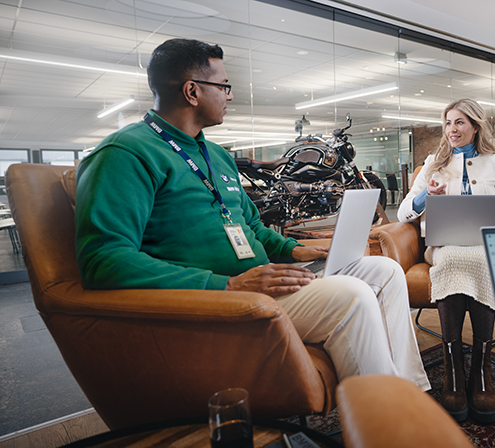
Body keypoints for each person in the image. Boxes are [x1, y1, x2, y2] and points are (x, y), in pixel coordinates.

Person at [74, 38, 430, 391]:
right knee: (354, 298)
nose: (229, 95)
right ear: (192, 91)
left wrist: (294, 251)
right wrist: (228, 284)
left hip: (262, 281)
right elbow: (103, 259)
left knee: (384, 271)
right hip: (220, 298)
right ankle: (380, 419)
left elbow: (254, 227)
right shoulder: (125, 154)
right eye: (224, 86)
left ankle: (409, 395)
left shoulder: (217, 155)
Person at [398, 99, 495, 423]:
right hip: (444, 246)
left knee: (482, 260)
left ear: (475, 126)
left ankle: (481, 370)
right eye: (447, 123)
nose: (452, 130)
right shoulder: (433, 163)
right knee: (449, 260)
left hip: (487, 247)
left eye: (459, 123)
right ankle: (453, 373)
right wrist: (426, 197)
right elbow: (405, 211)